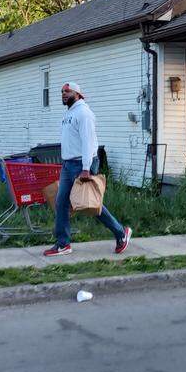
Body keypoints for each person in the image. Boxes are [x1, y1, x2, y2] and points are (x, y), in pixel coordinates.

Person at [44, 82, 132, 257]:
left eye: (67, 91)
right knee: (61, 203)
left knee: (89, 204)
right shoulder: (70, 113)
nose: (63, 94)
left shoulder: (84, 113)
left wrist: (86, 168)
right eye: (62, 91)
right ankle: (63, 244)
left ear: (77, 94)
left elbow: (88, 142)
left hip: (81, 164)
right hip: (69, 164)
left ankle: (121, 232)